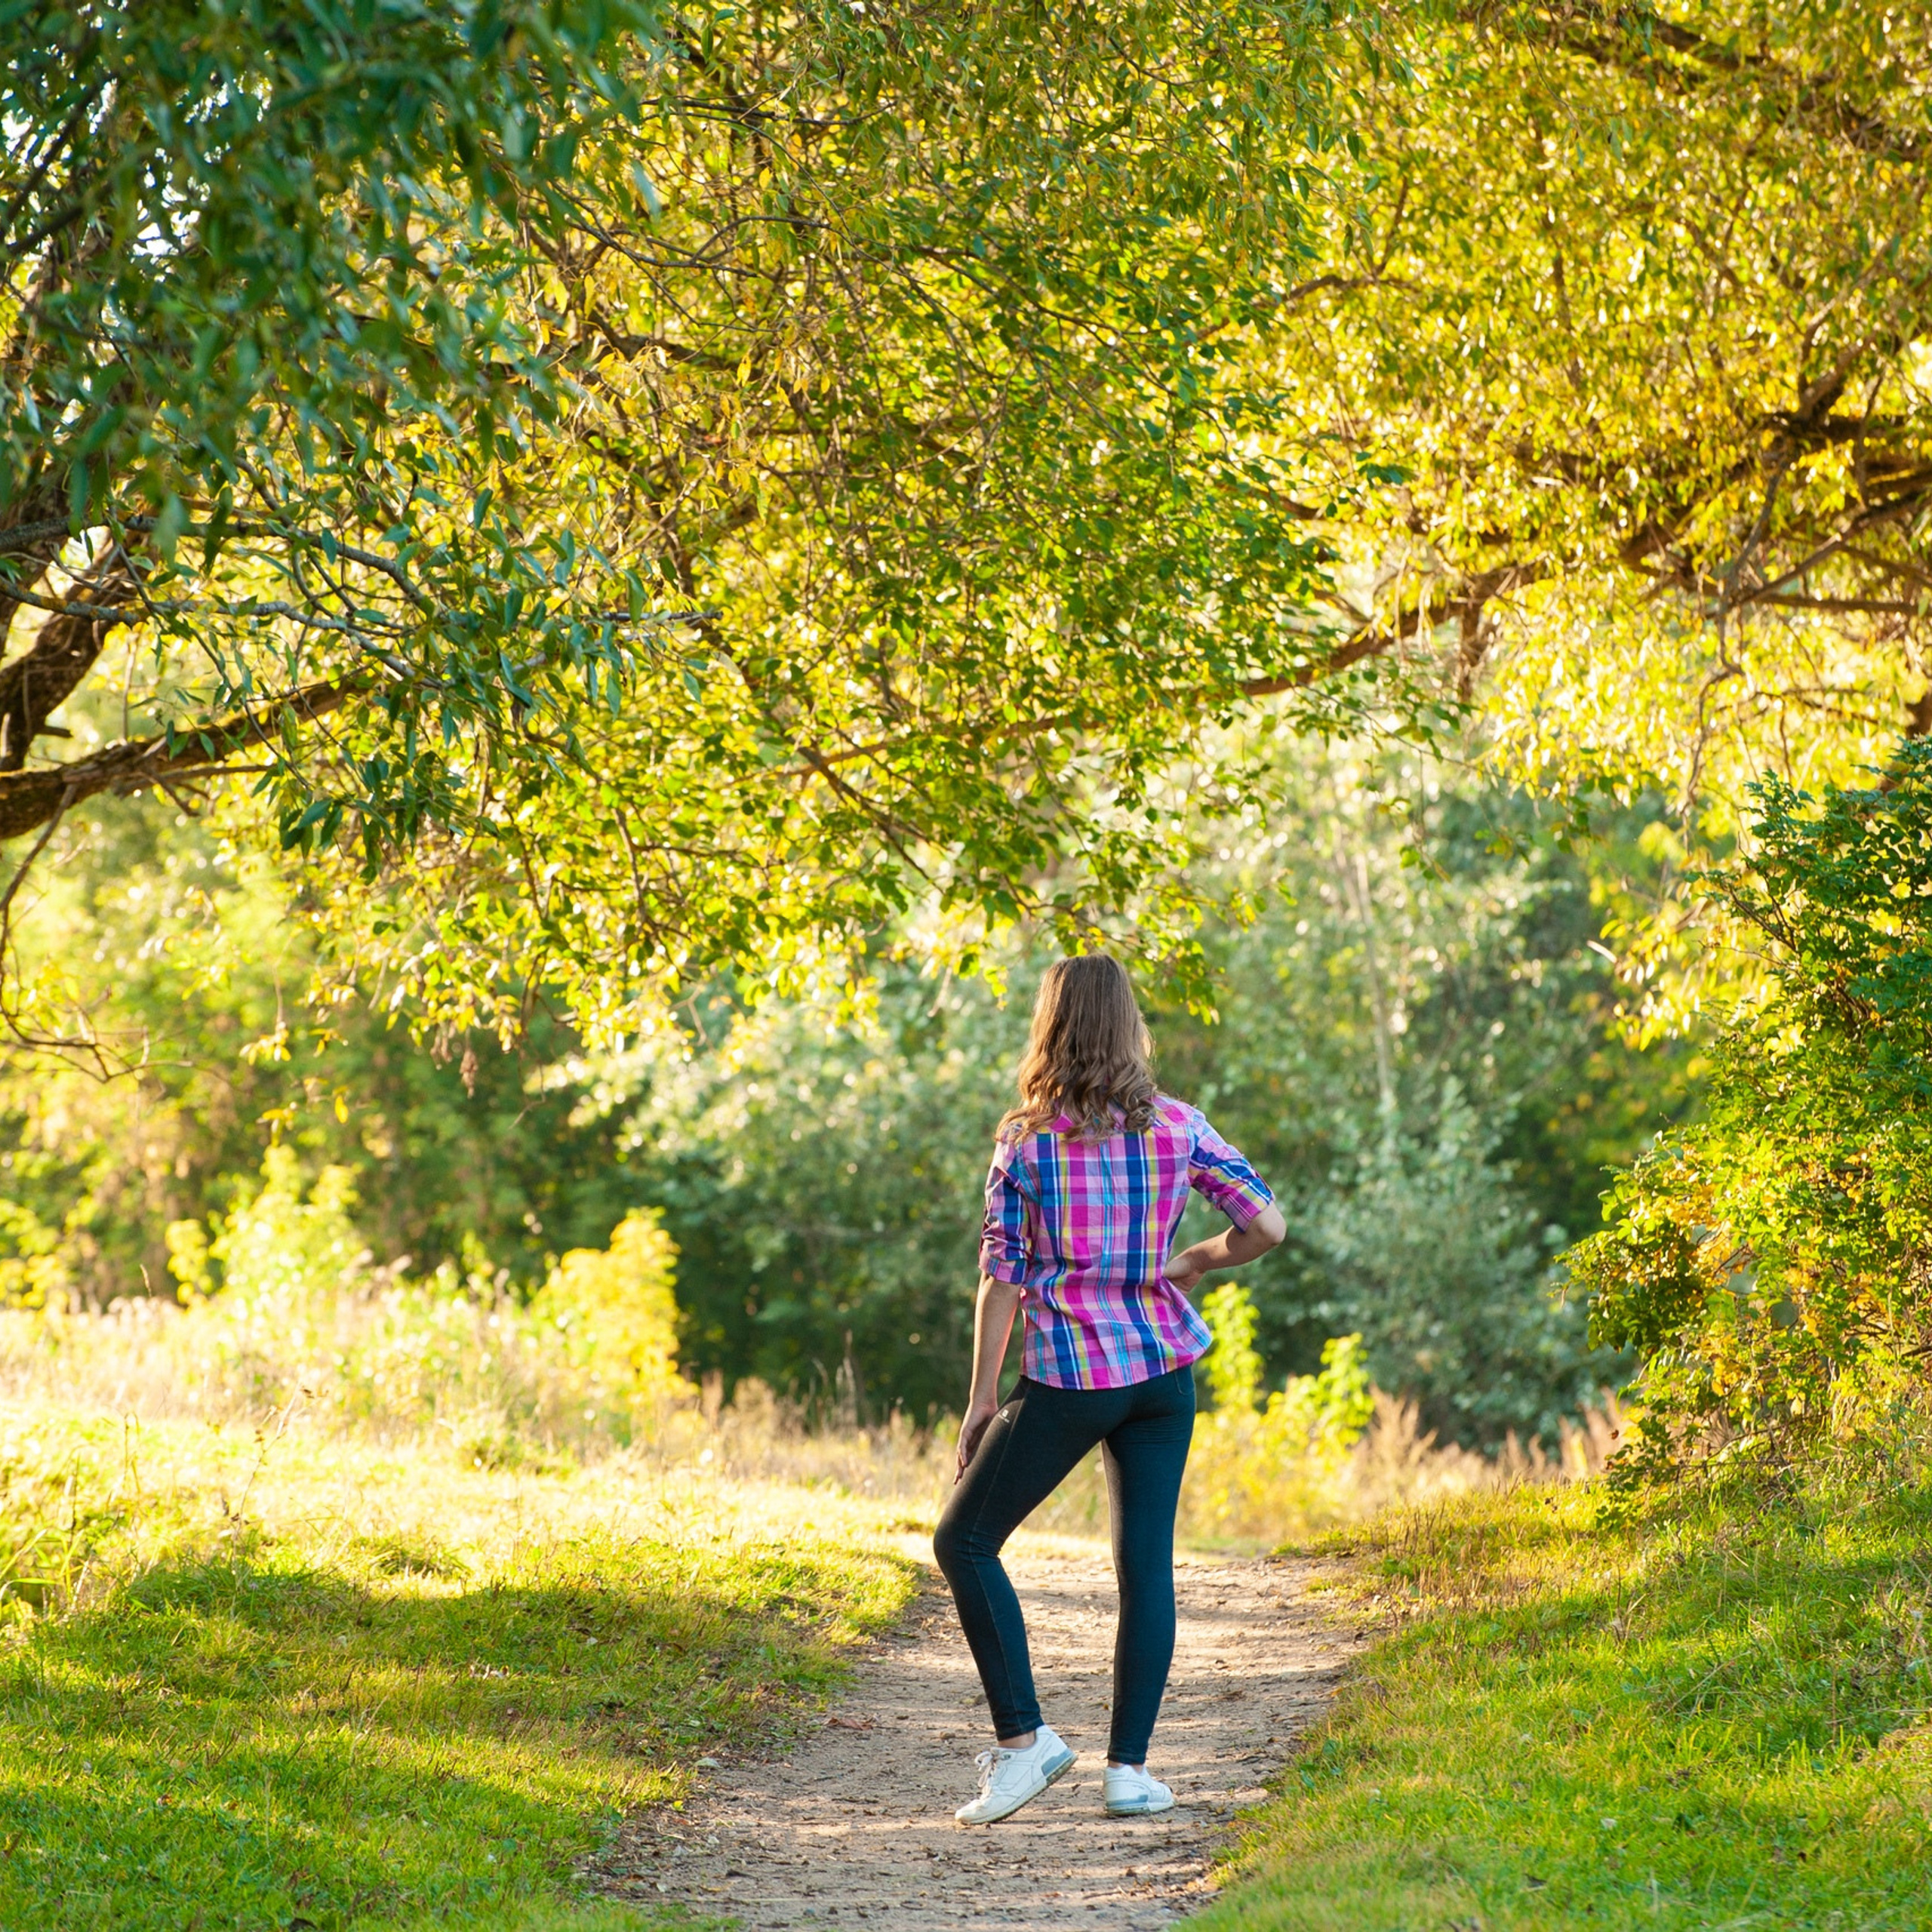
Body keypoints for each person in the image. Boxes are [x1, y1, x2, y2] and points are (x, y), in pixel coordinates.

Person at [933, 953, 1286, 1826]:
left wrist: (983, 1400)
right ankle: (1128, 1771)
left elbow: (1002, 1277)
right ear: (1129, 1025)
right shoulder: (1178, 1124)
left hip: (1069, 1377)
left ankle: (1026, 1745)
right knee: (1144, 1565)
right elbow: (1267, 1224)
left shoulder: (1027, 1141)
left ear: (1051, 1025)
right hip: (1163, 1373)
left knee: (964, 1542)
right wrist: (1195, 1260)